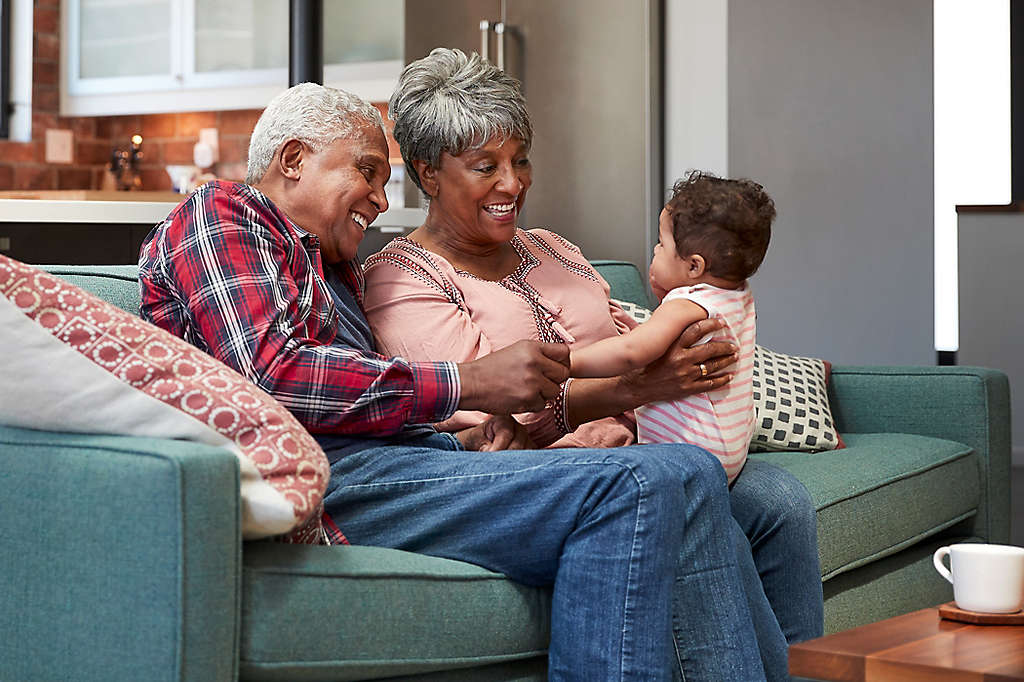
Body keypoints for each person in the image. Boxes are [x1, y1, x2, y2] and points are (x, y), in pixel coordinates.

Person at [138, 81, 770, 680]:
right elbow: (276, 373)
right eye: (366, 172)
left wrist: (466, 440)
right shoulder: (222, 212)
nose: (381, 201)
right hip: (327, 479)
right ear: (295, 159)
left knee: (687, 476)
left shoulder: (327, 263)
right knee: (649, 480)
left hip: (398, 464)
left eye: (384, 181)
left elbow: (364, 395)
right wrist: (470, 384)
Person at [363, 48, 824, 680]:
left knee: (778, 498)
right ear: (428, 172)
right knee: (682, 488)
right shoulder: (402, 278)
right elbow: (478, 410)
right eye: (485, 166)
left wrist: (692, 355)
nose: (512, 183)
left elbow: (629, 331)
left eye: (520, 160)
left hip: (646, 443)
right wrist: (641, 385)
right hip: (558, 473)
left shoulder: (554, 248)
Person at [569, 171, 773, 485]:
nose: (654, 250)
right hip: (729, 452)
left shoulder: (685, 305)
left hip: (686, 456)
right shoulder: (738, 295)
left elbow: (631, 351)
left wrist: (569, 362)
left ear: (694, 266)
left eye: (662, 245)